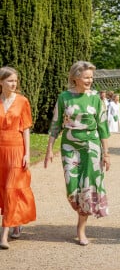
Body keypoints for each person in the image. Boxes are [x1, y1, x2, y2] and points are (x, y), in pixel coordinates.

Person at [44, 61, 110, 246]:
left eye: (91, 77)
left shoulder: (96, 98)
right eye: (86, 77)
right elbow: (56, 124)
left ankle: (81, 230)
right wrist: (49, 149)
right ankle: (79, 209)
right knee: (72, 189)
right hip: (69, 147)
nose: (90, 80)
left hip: (91, 147)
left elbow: (103, 127)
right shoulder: (64, 97)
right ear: (75, 78)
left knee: (87, 188)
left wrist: (106, 154)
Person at [0, 66, 36, 250]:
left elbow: (26, 128)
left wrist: (27, 153)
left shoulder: (22, 101)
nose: (14, 84)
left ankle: (4, 235)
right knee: (2, 191)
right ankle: (15, 221)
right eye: (10, 81)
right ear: (1, 82)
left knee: (10, 190)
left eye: (15, 81)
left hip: (15, 149)